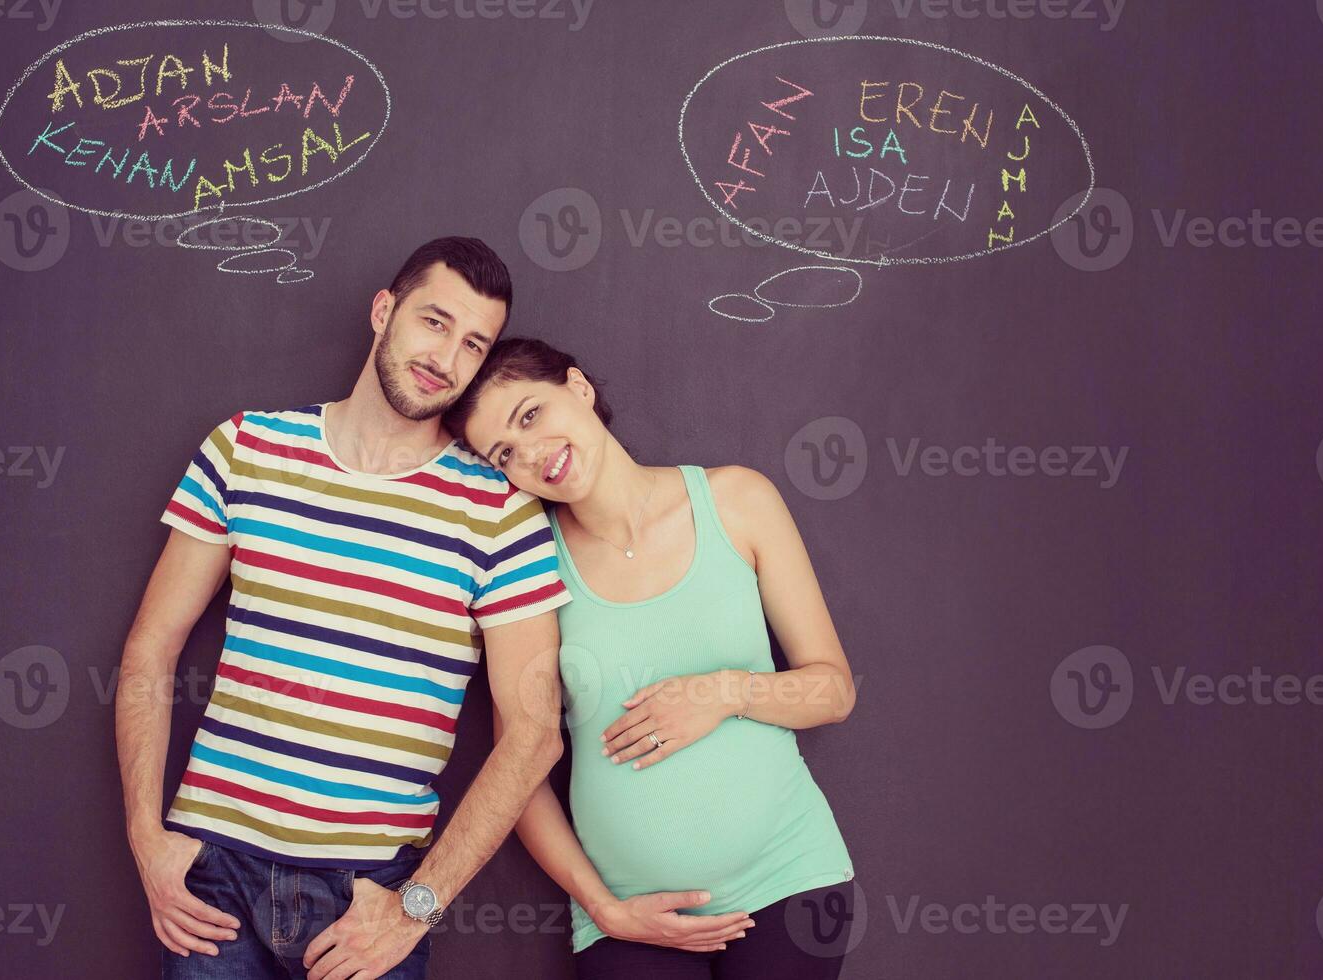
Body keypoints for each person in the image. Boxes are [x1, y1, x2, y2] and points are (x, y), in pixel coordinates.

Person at [116, 238, 574, 980]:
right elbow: (151, 648)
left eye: (472, 344)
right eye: (433, 322)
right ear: (383, 310)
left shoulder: (499, 512)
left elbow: (532, 736)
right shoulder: (246, 448)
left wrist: (415, 906)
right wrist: (146, 836)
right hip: (213, 882)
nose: (445, 358)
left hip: (368, 896)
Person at [442, 337, 860, 979]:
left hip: (787, 881)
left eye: (530, 416)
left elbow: (833, 691)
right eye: (505, 453)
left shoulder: (737, 501)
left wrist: (722, 693)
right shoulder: (528, 568)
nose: (531, 454)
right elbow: (517, 774)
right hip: (631, 918)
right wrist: (603, 907)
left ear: (578, 388)